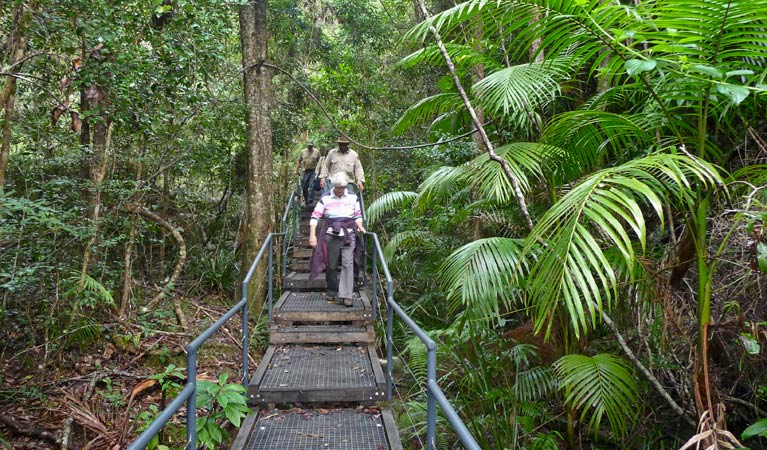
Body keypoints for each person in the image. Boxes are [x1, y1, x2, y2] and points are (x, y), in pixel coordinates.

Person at [308, 173, 366, 307]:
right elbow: (315, 216)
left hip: (349, 233)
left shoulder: (353, 197)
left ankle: (346, 296)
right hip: (331, 234)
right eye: (338, 187)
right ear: (333, 186)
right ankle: (332, 291)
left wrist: (360, 226)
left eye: (342, 187)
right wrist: (312, 235)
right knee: (332, 265)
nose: (340, 190)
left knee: (347, 263)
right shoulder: (326, 198)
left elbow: (357, 215)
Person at [293, 140, 322, 208]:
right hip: (305, 171)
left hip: (313, 171)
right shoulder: (302, 152)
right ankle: (306, 200)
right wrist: (296, 171)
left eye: (311, 146)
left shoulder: (317, 152)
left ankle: (310, 200)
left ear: (313, 145)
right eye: (308, 145)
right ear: (307, 145)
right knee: (304, 186)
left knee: (311, 186)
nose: (309, 147)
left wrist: (320, 172)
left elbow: (320, 162)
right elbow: (299, 161)